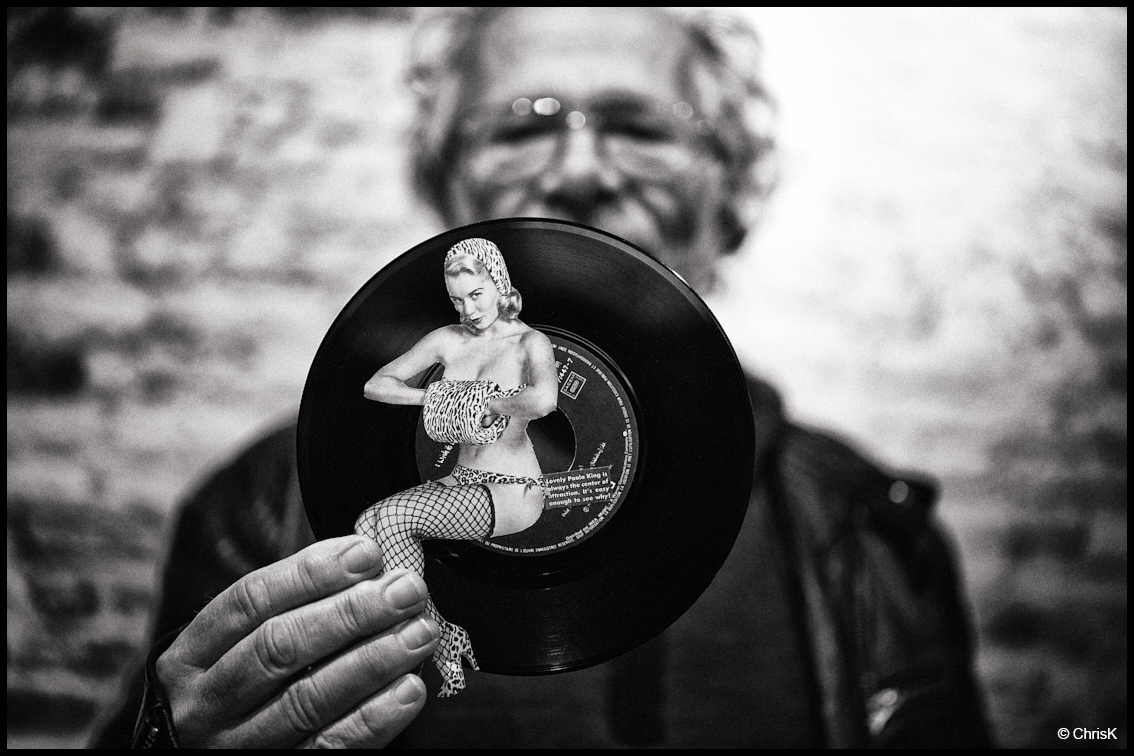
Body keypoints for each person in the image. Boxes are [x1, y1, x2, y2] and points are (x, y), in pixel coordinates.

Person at [93, 6, 992, 748]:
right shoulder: (258, 510)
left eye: (639, 127)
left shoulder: (873, 528)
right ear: (448, 184)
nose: (579, 170)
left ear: (730, 188)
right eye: (523, 126)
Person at [354, 237, 557, 697]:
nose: (469, 309)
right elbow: (375, 385)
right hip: (463, 480)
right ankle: (443, 633)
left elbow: (544, 400)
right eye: (457, 300)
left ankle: (434, 637)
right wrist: (436, 397)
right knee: (368, 523)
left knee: (394, 518)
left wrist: (491, 403)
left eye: (477, 294)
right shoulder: (447, 339)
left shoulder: (530, 342)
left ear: (499, 283)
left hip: (513, 489)